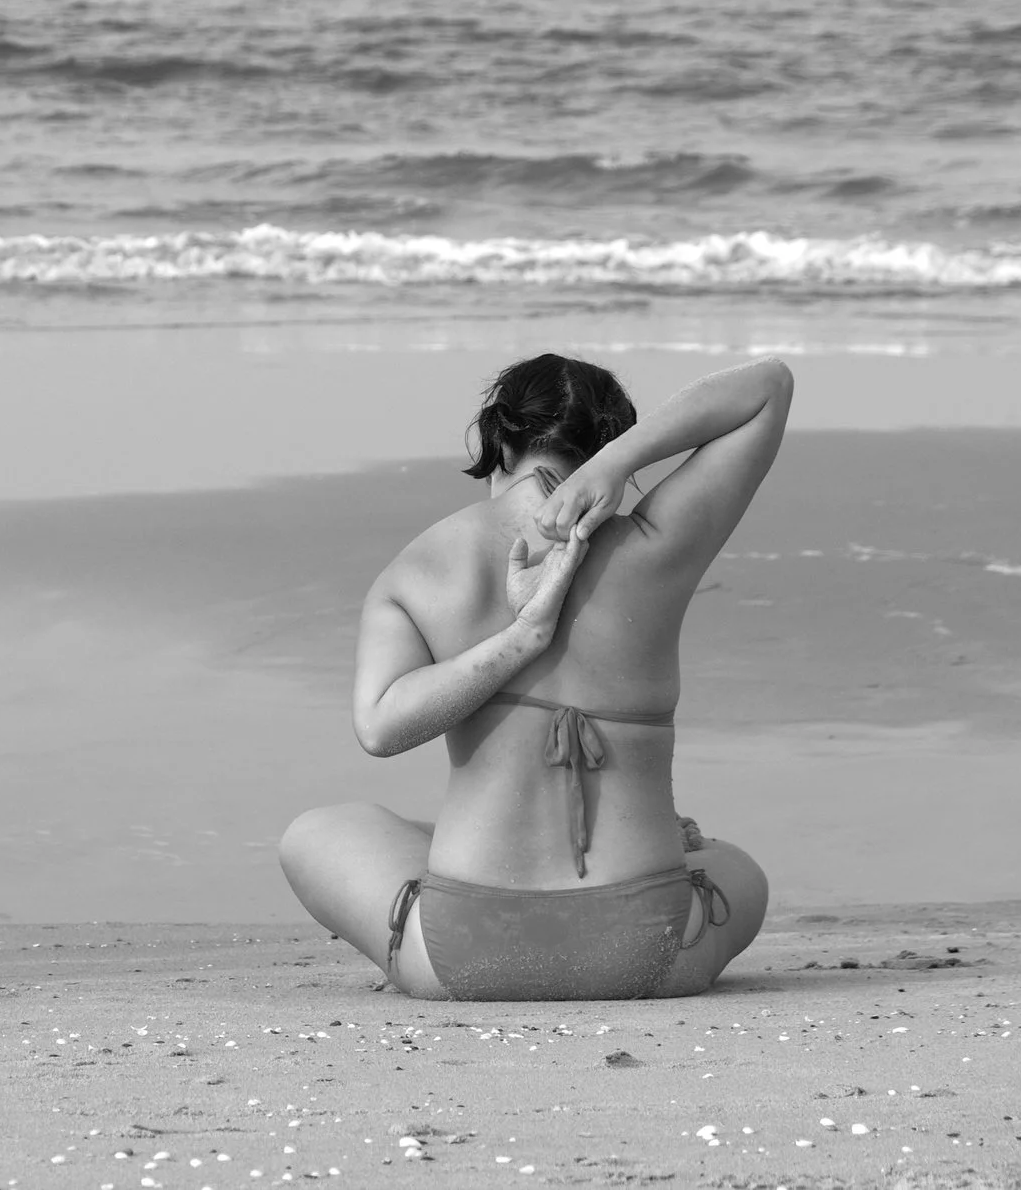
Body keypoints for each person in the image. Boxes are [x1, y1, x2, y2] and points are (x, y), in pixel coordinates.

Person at [278, 354, 787, 1000]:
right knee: (733, 866)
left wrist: (516, 641)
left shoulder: (419, 566)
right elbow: (767, 386)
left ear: (497, 440)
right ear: (611, 445)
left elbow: (380, 729)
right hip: (645, 950)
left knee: (319, 831)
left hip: (465, 956)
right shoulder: (652, 546)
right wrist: (619, 465)